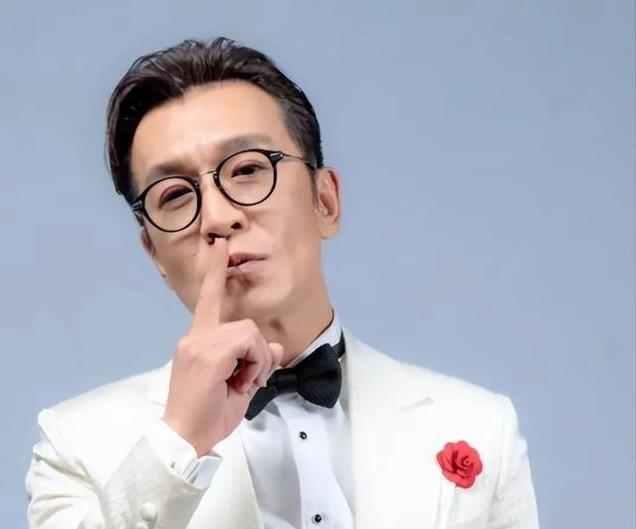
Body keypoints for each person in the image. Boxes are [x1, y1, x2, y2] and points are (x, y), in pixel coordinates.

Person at [25, 37, 540, 529]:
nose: (217, 216)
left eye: (248, 169)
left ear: (325, 201)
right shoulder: (75, 443)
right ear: (155, 254)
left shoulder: (481, 425)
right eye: (175, 195)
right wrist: (179, 442)